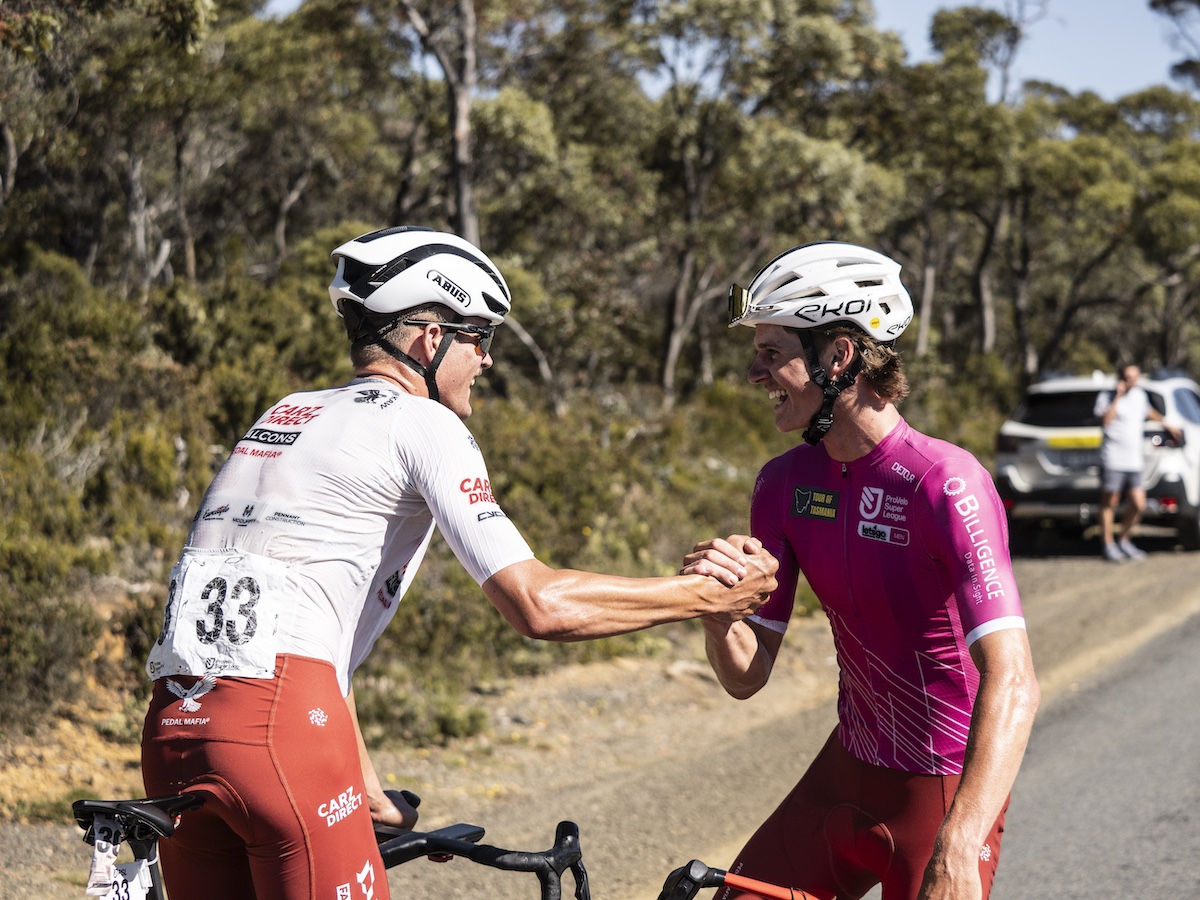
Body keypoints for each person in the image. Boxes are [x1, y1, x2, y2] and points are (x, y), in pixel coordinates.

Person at [140, 225, 778, 900]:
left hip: (173, 730)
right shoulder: (425, 423)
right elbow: (537, 605)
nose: (487, 360)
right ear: (427, 336)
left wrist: (365, 786)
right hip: (281, 731)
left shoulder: (286, 414)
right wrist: (707, 597)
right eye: (479, 336)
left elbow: (300, 630)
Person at [681, 242, 1040, 900]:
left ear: (838, 356)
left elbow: (1014, 680)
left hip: (941, 788)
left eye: (772, 353)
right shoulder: (782, 484)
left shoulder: (945, 483)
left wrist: (959, 845)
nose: (754, 373)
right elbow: (747, 675)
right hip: (844, 773)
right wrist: (715, 615)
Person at [1093, 364, 1179, 562]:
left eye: (1134, 377)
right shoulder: (1107, 396)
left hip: (1133, 460)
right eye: (1127, 377)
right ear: (1120, 378)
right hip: (1113, 458)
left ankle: (1124, 540)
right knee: (1110, 502)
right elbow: (1105, 420)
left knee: (1139, 504)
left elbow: (1149, 412)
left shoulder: (1140, 395)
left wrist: (1168, 424)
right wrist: (1117, 396)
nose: (1131, 380)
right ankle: (1108, 545)